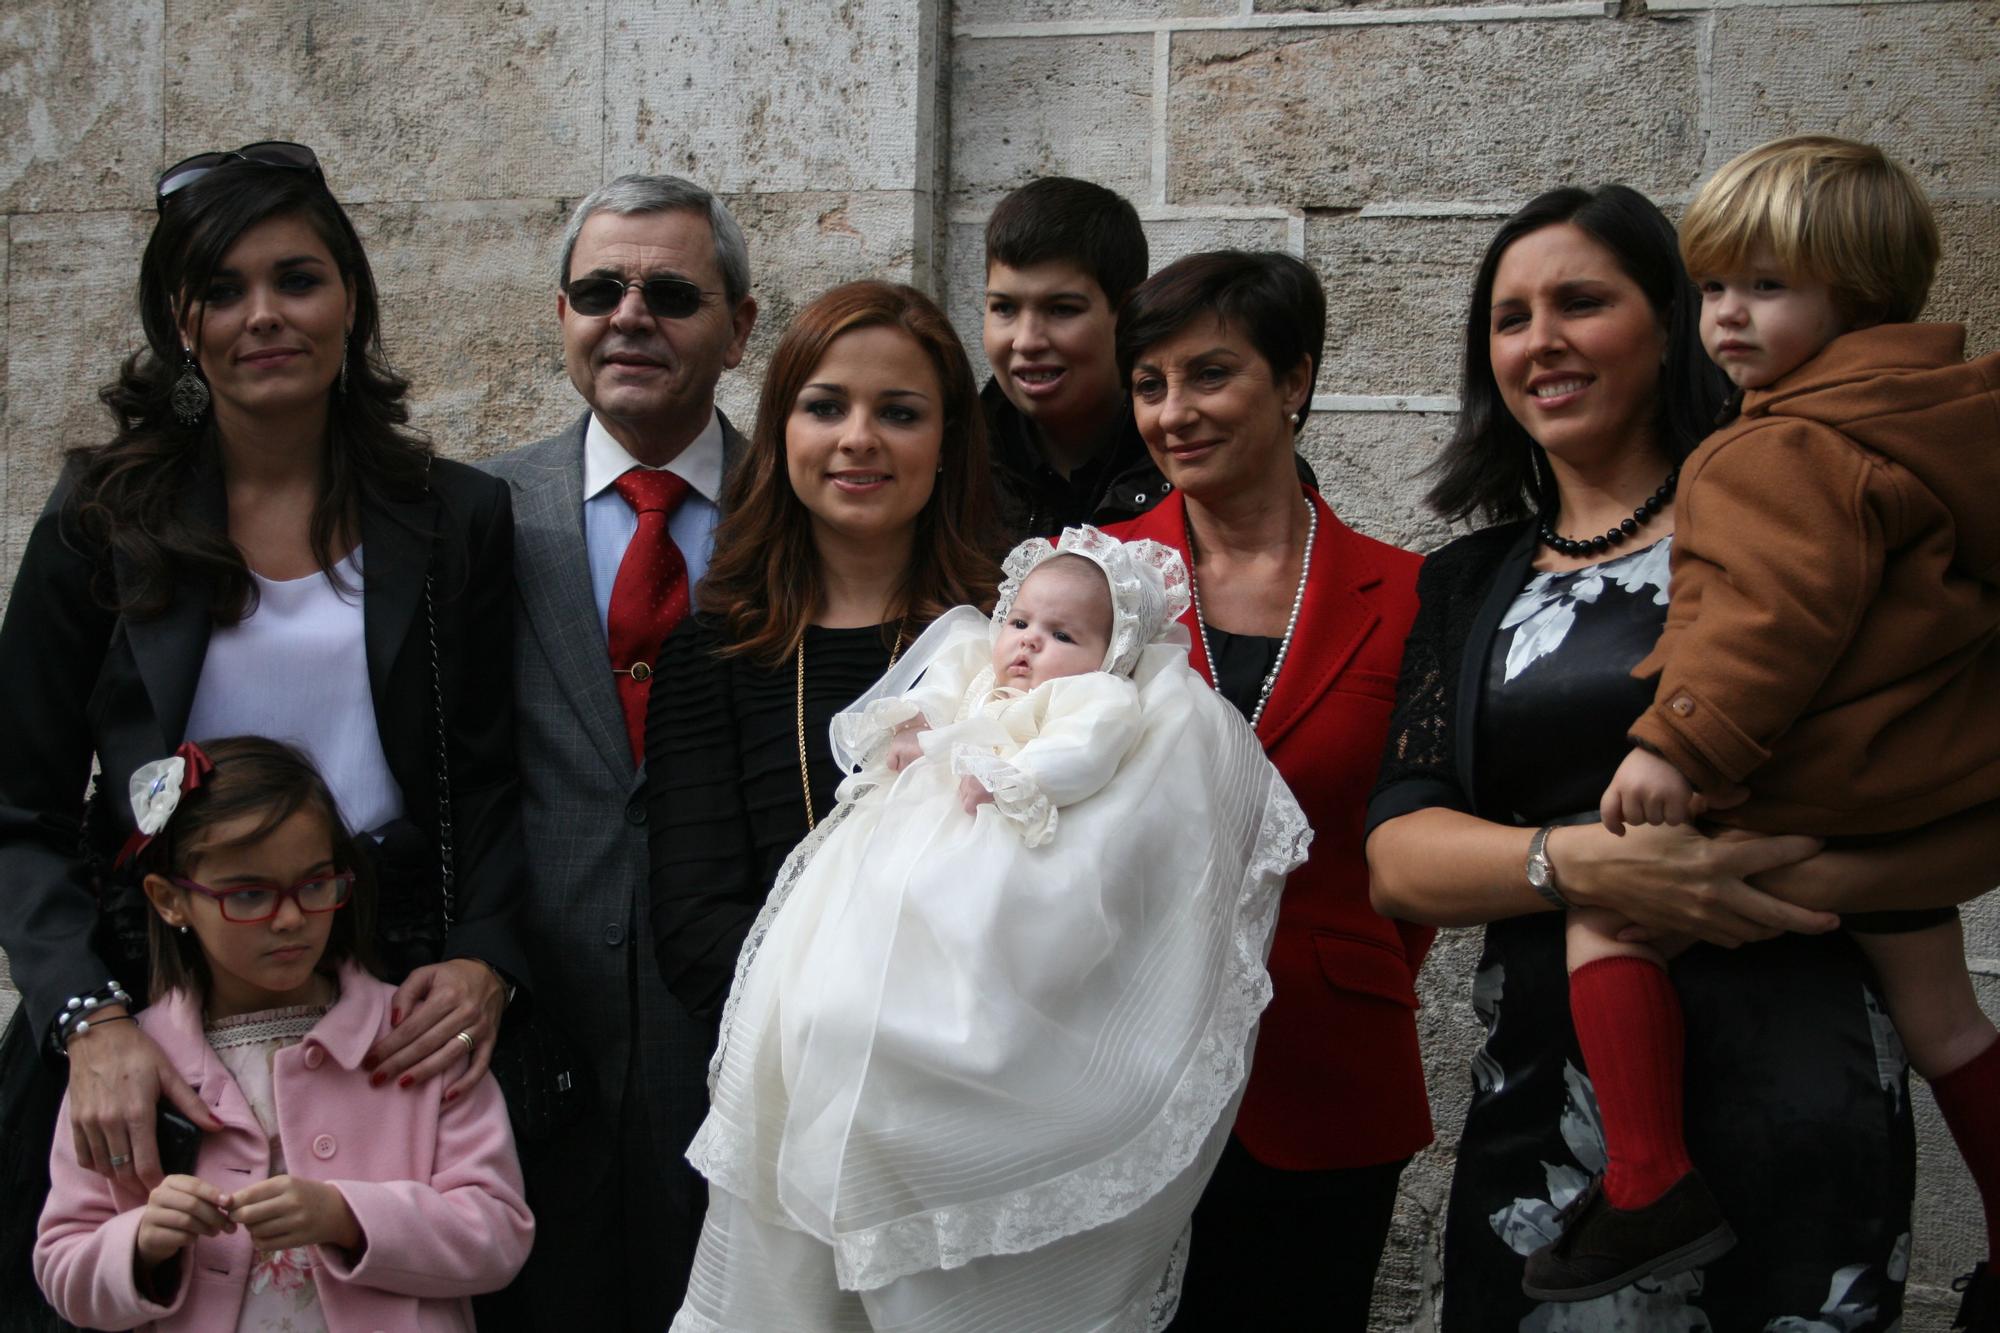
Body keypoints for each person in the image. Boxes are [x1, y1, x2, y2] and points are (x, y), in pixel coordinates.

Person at [1366, 182, 2000, 1329]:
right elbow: (1400, 853)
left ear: (1665, 325)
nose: (1539, 340)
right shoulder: (1469, 583)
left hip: (1798, 1095)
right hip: (1548, 1133)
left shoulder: (1798, 508)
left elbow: (1929, 759)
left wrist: (1808, 881)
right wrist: (1592, 866)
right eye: (1508, 319)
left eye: (1579, 302)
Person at [0, 143, 526, 1322]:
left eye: (297, 279)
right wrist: (87, 1019)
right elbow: (16, 806)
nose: (263, 316)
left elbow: (489, 777)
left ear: (351, 298)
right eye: (223, 290)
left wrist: (489, 955)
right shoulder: (102, 520)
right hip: (155, 997)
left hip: (384, 996)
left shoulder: (453, 517)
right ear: (180, 324)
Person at [671, 527, 1308, 1331]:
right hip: (897, 880)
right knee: (828, 997)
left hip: (1007, 866)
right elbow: (929, 706)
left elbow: (1084, 754)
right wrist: (913, 732)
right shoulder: (975, 672)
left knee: (971, 988)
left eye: (1063, 635)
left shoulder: (1096, 700)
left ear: (1112, 656)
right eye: (1021, 623)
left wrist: (1013, 772)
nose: (1028, 644)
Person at [1103, 250, 1430, 1328]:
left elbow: (1415, 842)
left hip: (1323, 1065)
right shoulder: (1090, 577)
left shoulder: (1412, 595)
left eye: (1208, 375)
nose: (1172, 412)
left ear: (1293, 381)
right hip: (1107, 1073)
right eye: (1148, 385)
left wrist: (1338, 956)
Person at [482, 173, 757, 1327]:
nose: (629, 314)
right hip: (532, 1049)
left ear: (739, 326)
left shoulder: (798, 510)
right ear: (560, 316)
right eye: (599, 289)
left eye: (670, 292)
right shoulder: (475, 513)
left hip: (747, 1043)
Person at [35, 737, 532, 1331]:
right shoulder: (128, 1069)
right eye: (249, 894)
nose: (292, 918)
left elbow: (499, 1233)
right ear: (169, 901)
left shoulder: (417, 1037)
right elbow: (62, 1265)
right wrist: (139, 1243)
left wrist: (347, 1217)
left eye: (316, 884)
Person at [645, 278, 1000, 1028]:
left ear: (947, 445)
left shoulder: (1014, 634)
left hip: (986, 1057)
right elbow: (696, 934)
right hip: (793, 1064)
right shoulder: (715, 649)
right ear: (782, 430)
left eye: (899, 412)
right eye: (826, 406)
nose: (858, 437)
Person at [981, 177, 1169, 541]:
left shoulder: (1192, 458)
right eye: (1004, 308)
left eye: (1062, 309)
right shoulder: (948, 466)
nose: (1027, 341)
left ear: (1128, 314)